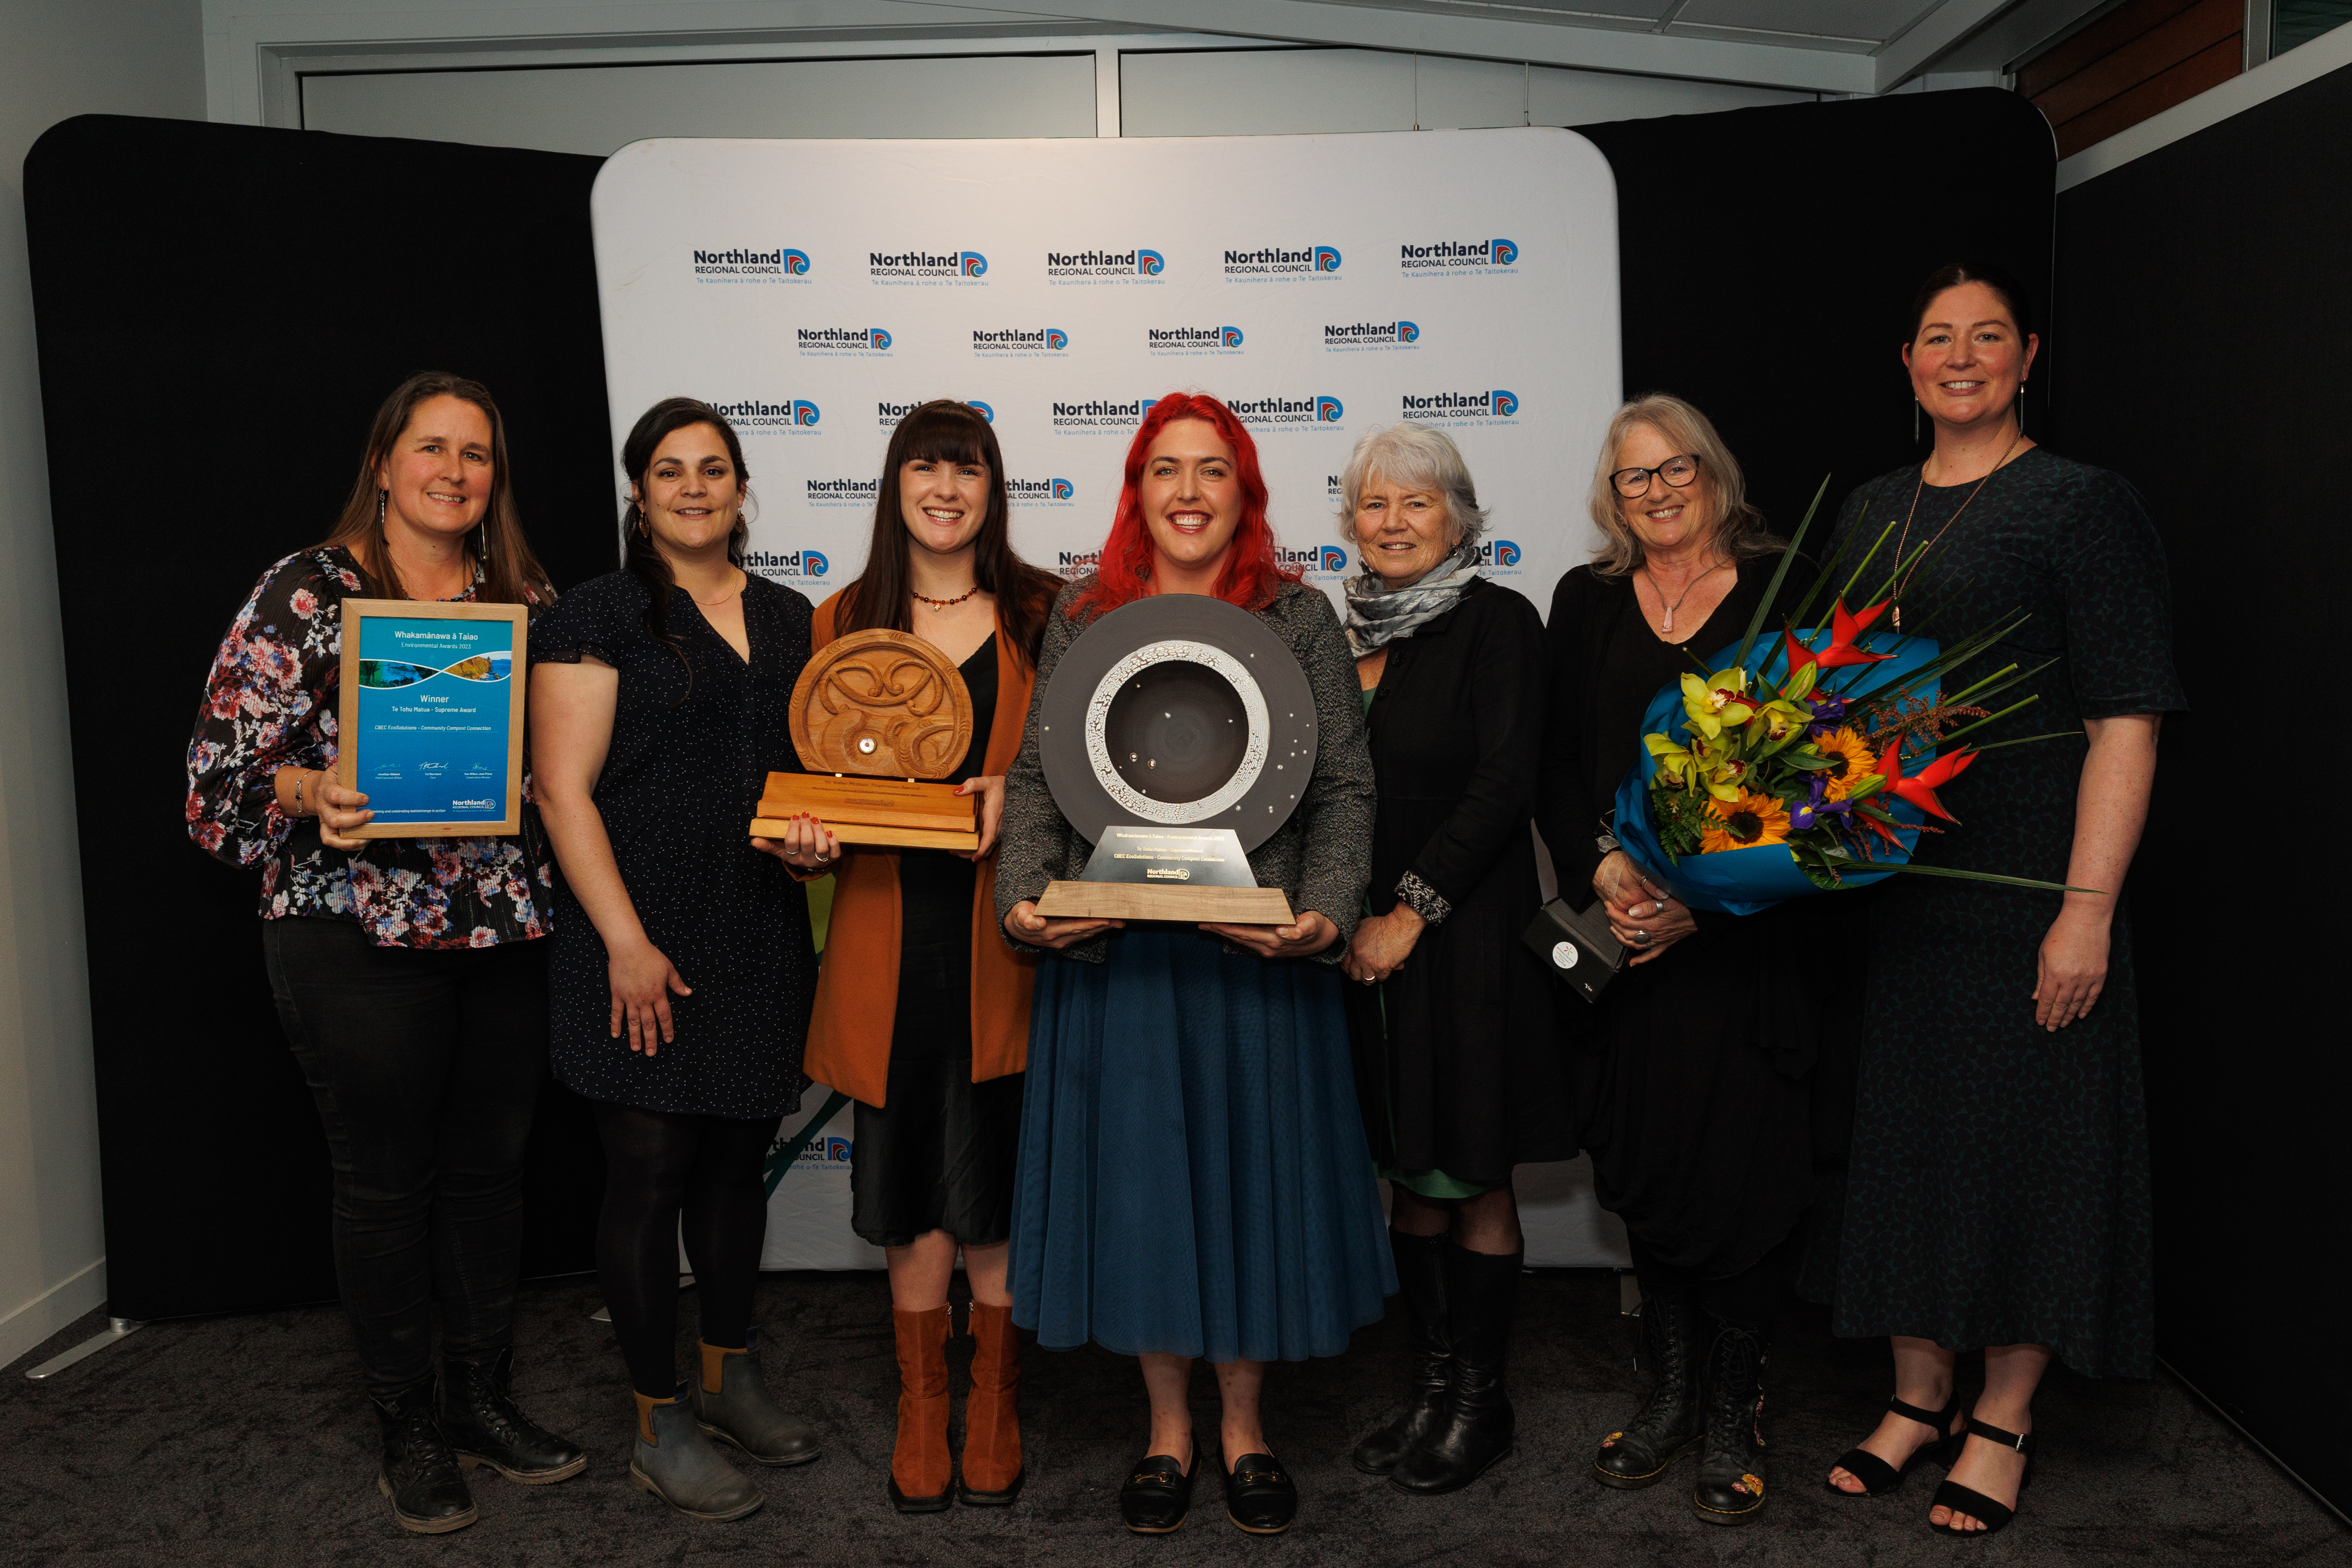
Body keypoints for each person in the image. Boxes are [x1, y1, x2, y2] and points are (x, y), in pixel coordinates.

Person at [186, 372, 584, 1535]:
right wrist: (314, 789)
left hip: (499, 926)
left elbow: (562, 771)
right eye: (432, 447)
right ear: (385, 460)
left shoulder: (525, 596)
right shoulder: (307, 593)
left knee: (488, 1172)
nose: (455, 471)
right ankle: (406, 1420)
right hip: (349, 927)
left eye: (477, 454)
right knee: (384, 1178)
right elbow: (214, 790)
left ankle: (482, 1400)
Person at [1820, 263, 2183, 1536]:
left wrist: (2083, 908)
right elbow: (1839, 698)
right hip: (1902, 890)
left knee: (2032, 1148)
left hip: (2032, 879)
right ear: (1905, 362)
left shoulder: (2079, 506)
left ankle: (2002, 1414)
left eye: (1986, 337)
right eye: (1935, 337)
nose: (1958, 356)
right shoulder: (1871, 506)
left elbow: (2123, 721)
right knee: (1916, 1142)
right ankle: (1916, 1396)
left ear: (2027, 357)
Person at [995, 393, 1391, 1536]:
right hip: (1120, 963)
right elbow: (1034, 779)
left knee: (1247, 1182)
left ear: (1244, 491)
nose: (1187, 490)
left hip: (1255, 962)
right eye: (1164, 469)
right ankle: (1166, 1427)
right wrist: (1025, 902)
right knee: (1147, 1192)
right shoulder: (1085, 611)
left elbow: (1344, 787)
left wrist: (1321, 913)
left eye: (1211, 470)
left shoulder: (1297, 614)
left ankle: (1245, 1425)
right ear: (1136, 491)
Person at [1536, 393, 1853, 1526]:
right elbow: (1559, 762)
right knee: (1645, 1162)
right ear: (1610, 495)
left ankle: (1734, 1407)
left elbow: (1826, 786)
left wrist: (1704, 909)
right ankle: (1665, 1392)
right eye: (1634, 476)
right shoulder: (1584, 601)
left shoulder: (1790, 590)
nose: (1659, 490)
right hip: (1620, 942)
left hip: (1744, 953)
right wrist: (1604, 864)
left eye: (1677, 468)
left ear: (1713, 473)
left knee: (1746, 1175)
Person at [756, 401, 1062, 1513]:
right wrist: (803, 849)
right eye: (924, 465)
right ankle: (921, 1402)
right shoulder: (839, 618)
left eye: (967, 467)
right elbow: (809, 798)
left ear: (993, 486)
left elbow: (1090, 782)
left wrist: (1016, 794)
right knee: (908, 1184)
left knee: (992, 1179)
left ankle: (995, 1403)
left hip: (1007, 946)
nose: (946, 485)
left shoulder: (1046, 612)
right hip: (886, 943)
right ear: (894, 485)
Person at [530, 397, 820, 1523]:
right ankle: (660, 1416)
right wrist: (625, 943)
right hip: (633, 933)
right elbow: (561, 790)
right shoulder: (594, 616)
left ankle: (729, 1367)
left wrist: (810, 849)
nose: (693, 486)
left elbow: (802, 782)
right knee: (647, 1178)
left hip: (755, 928)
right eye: (668, 470)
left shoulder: (794, 617)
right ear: (638, 494)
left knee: (734, 1168)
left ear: (742, 489)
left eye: (713, 468)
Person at [1332, 424, 1566, 1494]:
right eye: (1373, 505)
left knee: (1469, 1169)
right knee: (1408, 1173)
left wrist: (1410, 913)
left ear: (1461, 518)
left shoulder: (1499, 620)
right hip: (1365, 945)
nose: (1392, 522)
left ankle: (1483, 1399)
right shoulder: (1342, 637)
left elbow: (1505, 782)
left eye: (1415, 504)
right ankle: (1431, 1388)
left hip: (1461, 937)